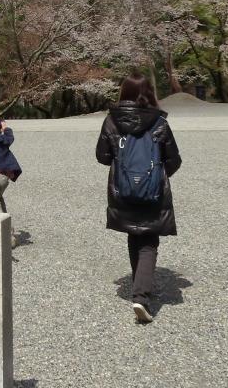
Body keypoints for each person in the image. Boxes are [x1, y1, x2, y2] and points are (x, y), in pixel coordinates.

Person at [95, 73, 181, 324]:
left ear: (124, 93)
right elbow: (174, 159)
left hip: (122, 190)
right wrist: (156, 176)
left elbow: (102, 156)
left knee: (134, 234)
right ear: (149, 93)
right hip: (153, 191)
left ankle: (139, 288)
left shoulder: (111, 121)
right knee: (149, 240)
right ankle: (141, 296)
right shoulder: (159, 122)